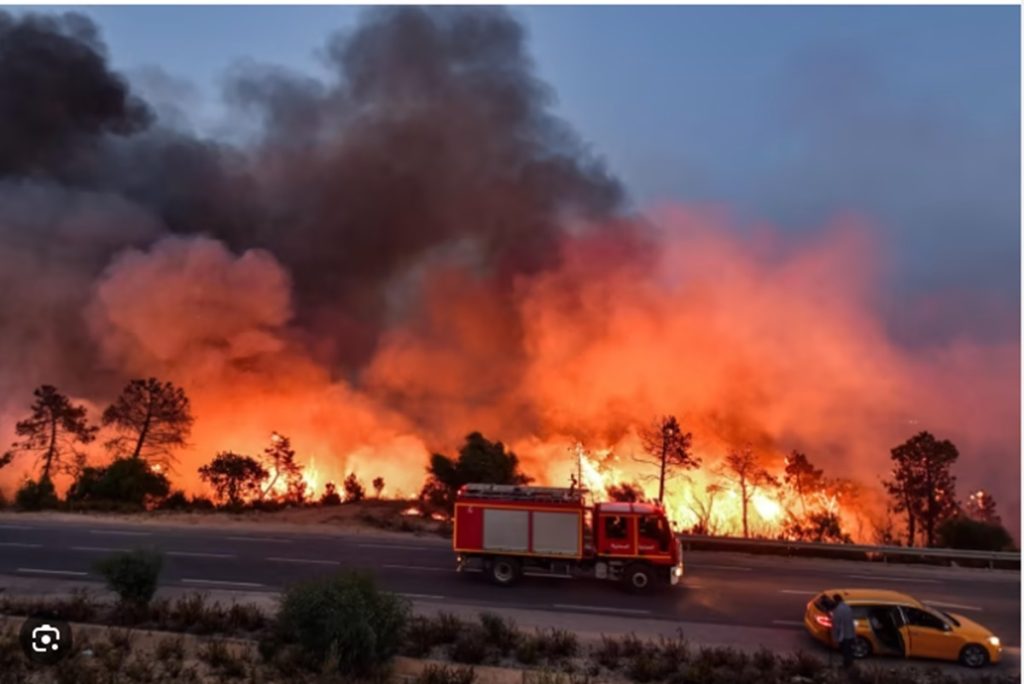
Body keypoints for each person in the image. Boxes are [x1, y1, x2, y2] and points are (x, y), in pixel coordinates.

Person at [831, 593, 857, 668]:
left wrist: (835, 637)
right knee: (849, 651)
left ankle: (847, 666)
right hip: (850, 634)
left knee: (845, 651)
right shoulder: (847, 607)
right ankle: (849, 664)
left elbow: (836, 625)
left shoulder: (838, 610)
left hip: (844, 635)